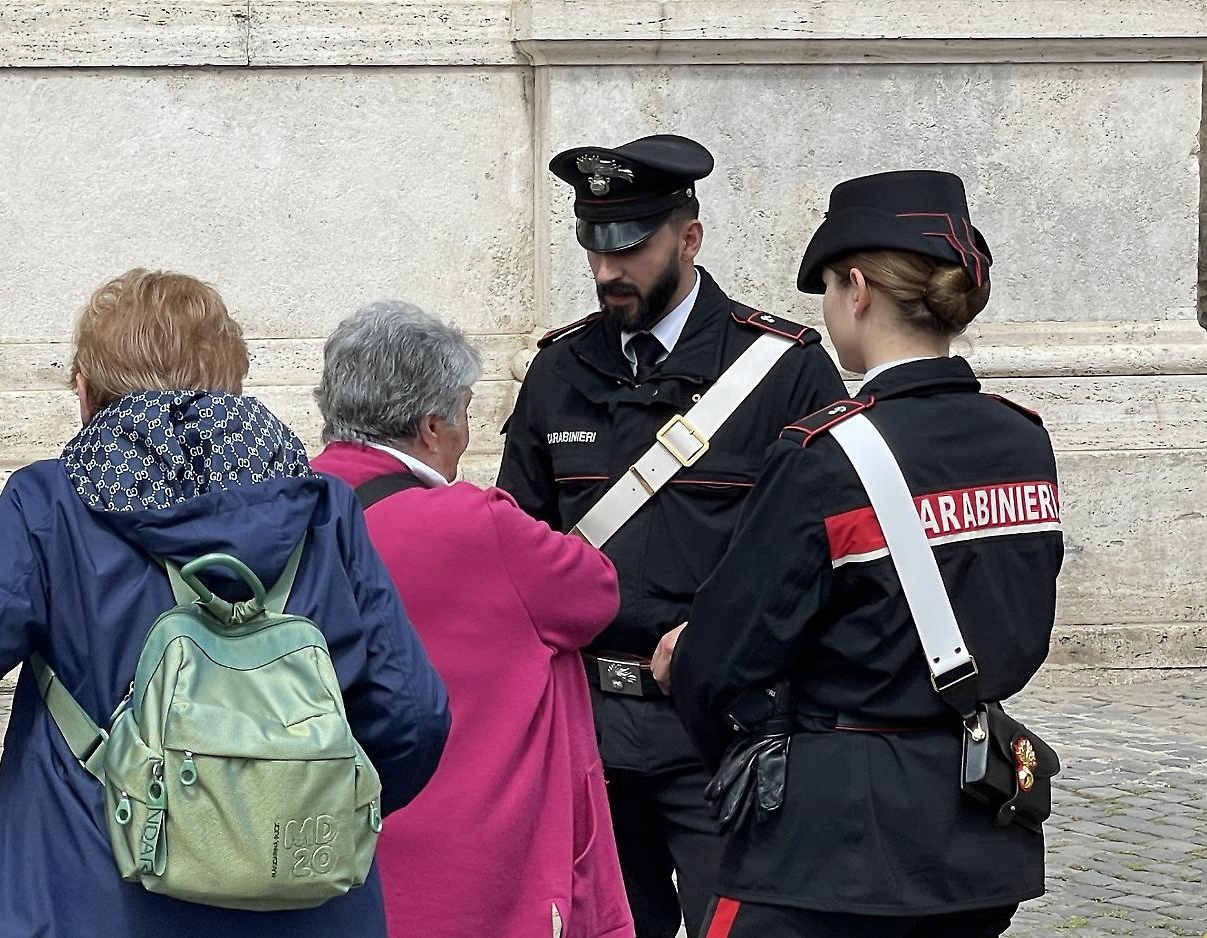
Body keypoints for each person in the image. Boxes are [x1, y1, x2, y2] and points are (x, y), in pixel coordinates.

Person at [0, 269, 450, 938]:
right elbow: (415, 716)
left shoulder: (49, 507)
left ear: (86, 393)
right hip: (305, 909)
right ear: (233, 385)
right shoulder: (323, 509)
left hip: (85, 900)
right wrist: (291, 807)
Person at [658, 171, 1063, 937]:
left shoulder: (824, 455)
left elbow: (724, 656)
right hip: (975, 815)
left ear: (855, 288)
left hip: (832, 838)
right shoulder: (1023, 437)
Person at [497, 134, 847, 938]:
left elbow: (827, 560)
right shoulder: (561, 370)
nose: (606, 271)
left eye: (630, 248)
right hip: (586, 729)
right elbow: (515, 543)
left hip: (720, 730)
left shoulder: (782, 370)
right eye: (593, 244)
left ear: (688, 237)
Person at [311, 301, 634, 938]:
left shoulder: (281, 508)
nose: (465, 431)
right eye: (464, 411)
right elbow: (595, 592)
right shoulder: (477, 526)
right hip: (472, 879)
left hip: (320, 860)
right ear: (432, 426)